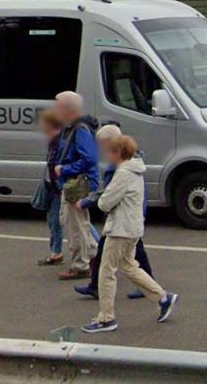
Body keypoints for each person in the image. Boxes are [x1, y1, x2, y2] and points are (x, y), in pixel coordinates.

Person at [80, 135, 178, 333]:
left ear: (118, 153)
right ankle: (162, 297)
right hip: (132, 228)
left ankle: (107, 318)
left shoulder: (123, 173)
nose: (107, 155)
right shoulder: (136, 170)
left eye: (109, 151)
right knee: (129, 266)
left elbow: (105, 202)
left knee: (106, 272)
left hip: (119, 229)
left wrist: (99, 202)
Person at [76, 124, 155, 301]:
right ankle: (156, 292)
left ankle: (101, 296)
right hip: (131, 218)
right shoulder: (134, 161)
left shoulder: (119, 169)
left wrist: (88, 201)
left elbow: (108, 195)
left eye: (103, 147)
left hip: (122, 221)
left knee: (112, 263)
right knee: (131, 258)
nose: (102, 151)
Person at [54, 91, 101, 281]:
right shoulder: (78, 127)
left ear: (67, 109)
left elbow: (89, 158)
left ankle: (80, 265)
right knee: (74, 221)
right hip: (79, 182)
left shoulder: (79, 129)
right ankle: (93, 256)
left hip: (77, 183)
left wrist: (65, 168)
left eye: (58, 106)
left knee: (76, 225)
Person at [38, 110, 66, 266]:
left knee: (57, 221)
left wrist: (57, 185)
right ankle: (55, 250)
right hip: (53, 187)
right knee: (53, 220)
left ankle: (56, 252)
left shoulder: (59, 142)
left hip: (58, 188)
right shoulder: (54, 141)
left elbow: (57, 165)